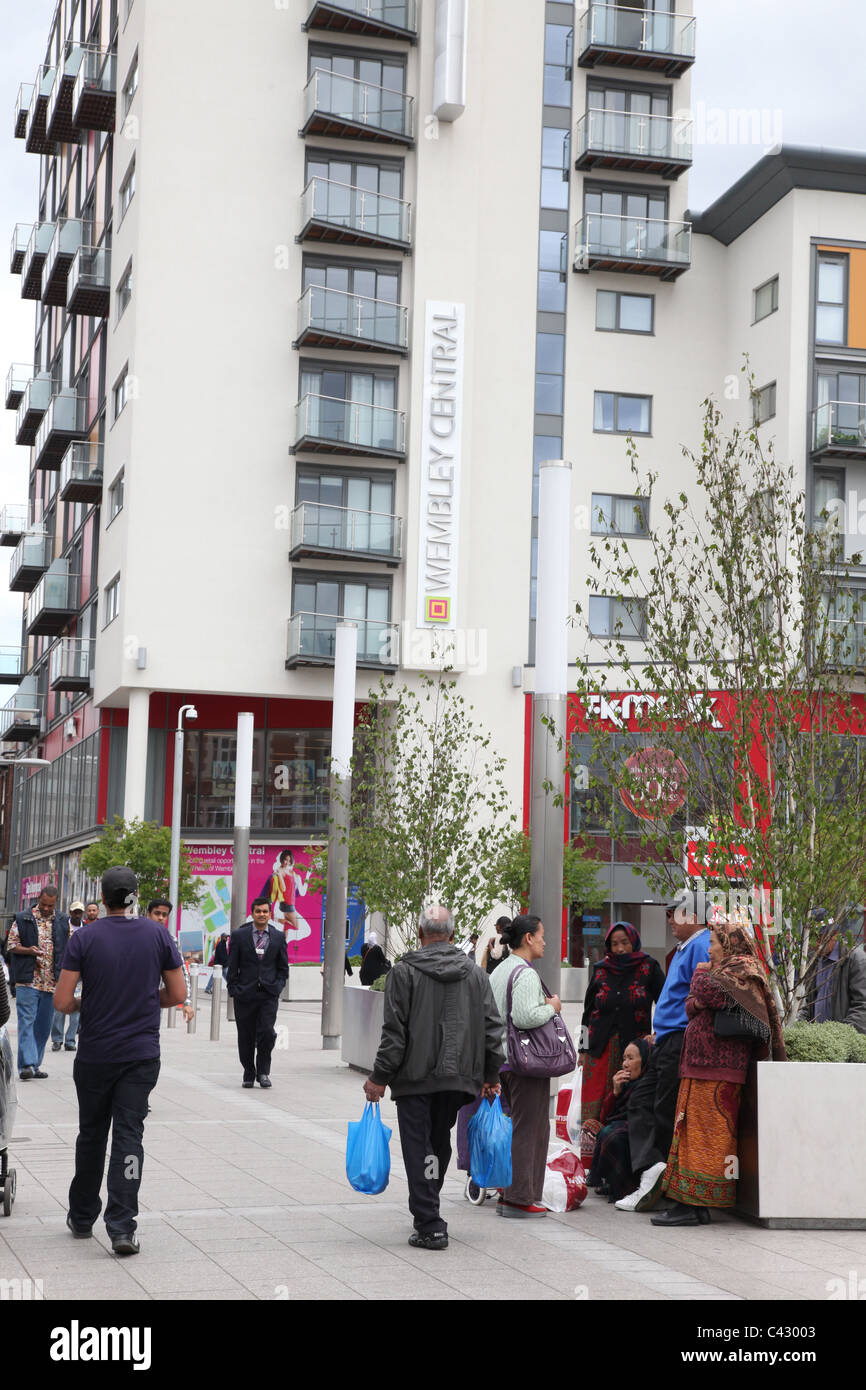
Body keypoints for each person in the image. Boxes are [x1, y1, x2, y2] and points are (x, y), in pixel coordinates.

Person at [53, 866, 186, 1256]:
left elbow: (61, 1002)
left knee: (91, 1134)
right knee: (129, 1136)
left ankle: (81, 1216)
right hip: (140, 1055)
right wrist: (148, 1000)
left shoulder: (85, 937)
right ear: (135, 895)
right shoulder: (158, 934)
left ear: (104, 895)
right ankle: (122, 1227)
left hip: (95, 1054)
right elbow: (177, 993)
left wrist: (86, 1004)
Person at [363, 904, 504, 1251]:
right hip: (457, 1079)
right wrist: (490, 1074)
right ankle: (428, 1207)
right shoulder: (475, 974)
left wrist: (379, 1077)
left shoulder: (404, 972)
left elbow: (394, 1032)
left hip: (415, 1077)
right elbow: (492, 1029)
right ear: (453, 935)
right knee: (438, 1141)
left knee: (418, 1145)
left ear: (420, 934)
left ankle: (429, 1221)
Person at [652, 922, 787, 1227]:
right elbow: (690, 1005)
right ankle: (692, 1203)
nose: (709, 949)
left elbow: (705, 991)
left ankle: (694, 1203)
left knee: (707, 1138)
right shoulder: (726, 971)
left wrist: (701, 973)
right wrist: (700, 997)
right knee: (690, 1133)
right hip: (701, 1067)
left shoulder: (742, 970)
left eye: (714, 942)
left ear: (729, 945)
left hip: (718, 1072)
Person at [615, 901, 710, 1212]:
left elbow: (702, 993)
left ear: (694, 917)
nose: (670, 920)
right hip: (664, 1040)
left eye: (677, 914)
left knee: (665, 1110)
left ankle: (667, 1184)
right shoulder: (685, 946)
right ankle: (653, 1167)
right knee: (640, 1099)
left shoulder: (702, 944)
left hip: (679, 1039)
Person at [489, 914, 561, 1219]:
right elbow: (524, 1017)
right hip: (525, 1064)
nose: (545, 941)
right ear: (528, 938)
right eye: (541, 935)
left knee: (513, 1128)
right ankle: (521, 1197)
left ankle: (508, 1191)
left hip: (502, 1061)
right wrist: (552, 1006)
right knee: (529, 1130)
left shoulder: (500, 970)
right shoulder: (526, 973)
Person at [578, 920, 665, 1159]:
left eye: (624, 943)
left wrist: (658, 1033)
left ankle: (618, 1160)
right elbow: (587, 1011)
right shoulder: (600, 969)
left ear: (634, 941)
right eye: (614, 944)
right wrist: (582, 1049)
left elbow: (666, 1002)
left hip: (633, 1051)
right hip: (599, 1050)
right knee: (594, 1103)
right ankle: (590, 1163)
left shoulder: (648, 967)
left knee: (625, 1100)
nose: (619, 949)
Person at [6, 885, 71, 1080]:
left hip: (51, 982)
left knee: (43, 1026)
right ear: (38, 899)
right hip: (28, 979)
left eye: (50, 905)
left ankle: (35, 1064)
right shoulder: (23, 918)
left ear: (56, 903)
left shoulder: (62, 920)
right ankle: (26, 1065)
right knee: (27, 1021)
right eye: (44, 904)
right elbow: (11, 945)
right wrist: (29, 951)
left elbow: (68, 947)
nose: (46, 908)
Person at [226, 897, 288, 1088]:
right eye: (258, 911)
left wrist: (277, 987)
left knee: (267, 1033)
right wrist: (234, 989)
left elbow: (283, 967)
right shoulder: (238, 936)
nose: (262, 914)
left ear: (270, 914)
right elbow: (232, 966)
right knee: (245, 1035)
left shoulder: (278, 937)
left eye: (265, 911)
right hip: (244, 994)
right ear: (252, 913)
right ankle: (248, 1071)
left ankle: (263, 1072)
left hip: (268, 994)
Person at [587, 1037, 651, 1202]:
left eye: (631, 1058)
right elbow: (605, 1117)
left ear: (644, 1060)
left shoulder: (648, 1085)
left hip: (643, 1132)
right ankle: (606, 1179)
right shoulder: (624, 1085)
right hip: (623, 1126)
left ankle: (624, 1187)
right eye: (624, 1059)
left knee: (613, 1134)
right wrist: (615, 1092)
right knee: (594, 1127)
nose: (625, 1064)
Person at [797, 908, 866, 1033]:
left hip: (845, 1041)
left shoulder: (855, 959)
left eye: (822, 937)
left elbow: (862, 1006)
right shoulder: (813, 962)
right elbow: (809, 1005)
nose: (817, 943)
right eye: (813, 938)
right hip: (819, 1039)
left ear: (836, 934)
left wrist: (840, 1036)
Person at [146, 899, 194, 1024]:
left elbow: (182, 971)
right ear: (148, 914)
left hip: (153, 1003)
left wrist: (187, 1002)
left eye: (164, 915)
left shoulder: (171, 940)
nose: (161, 918)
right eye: (157, 913)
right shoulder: (136, 936)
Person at [51, 901, 86, 1052]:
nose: (77, 914)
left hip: (81, 974)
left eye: (80, 912)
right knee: (60, 1008)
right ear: (70, 913)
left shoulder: (88, 930)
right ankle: (57, 1039)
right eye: (75, 912)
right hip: (64, 972)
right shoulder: (61, 928)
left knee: (77, 1009)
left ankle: (70, 1040)